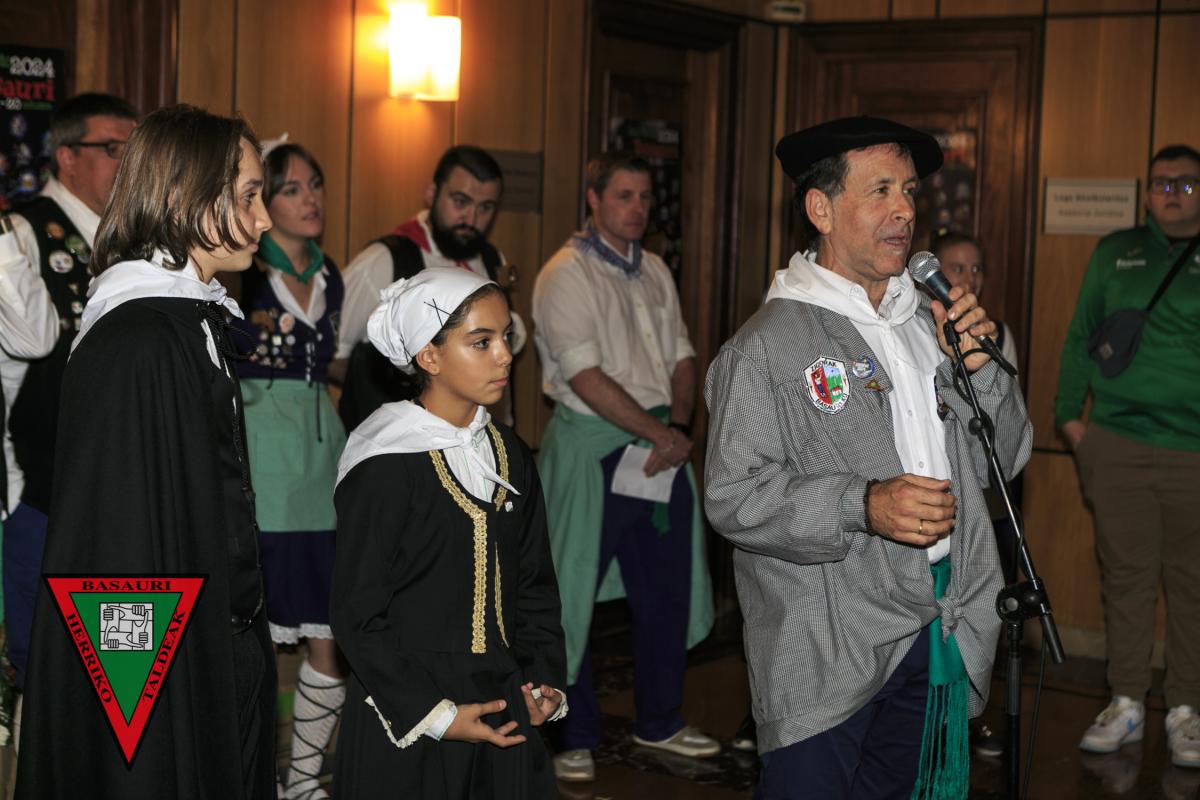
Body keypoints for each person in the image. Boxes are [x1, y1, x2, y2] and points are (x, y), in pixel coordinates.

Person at [704, 116, 1032, 799]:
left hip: (935, 620)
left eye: (909, 191)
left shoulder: (930, 323)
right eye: (880, 190)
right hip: (825, 641)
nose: (904, 210)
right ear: (820, 209)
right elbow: (734, 497)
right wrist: (863, 504)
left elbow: (1002, 462)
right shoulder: (764, 346)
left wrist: (984, 375)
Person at [15, 104, 275, 799]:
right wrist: (145, 725)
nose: (264, 219)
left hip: (212, 639)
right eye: (248, 195)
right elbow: (117, 551)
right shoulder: (139, 339)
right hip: (160, 670)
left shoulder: (187, 320)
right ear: (183, 195)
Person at [330, 267, 565, 799]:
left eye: (506, 337)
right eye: (481, 342)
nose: (504, 355)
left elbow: (535, 583)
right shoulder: (385, 462)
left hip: (503, 699)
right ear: (429, 357)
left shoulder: (510, 455)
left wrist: (542, 679)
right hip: (411, 705)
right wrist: (435, 715)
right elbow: (357, 613)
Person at [532, 152, 717, 783]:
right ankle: (572, 734)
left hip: (662, 445)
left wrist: (679, 430)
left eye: (644, 197)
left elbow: (684, 358)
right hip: (594, 448)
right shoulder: (565, 274)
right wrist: (661, 433)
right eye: (623, 196)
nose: (637, 208)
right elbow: (584, 376)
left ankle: (660, 720)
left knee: (666, 590)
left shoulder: (656, 269)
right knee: (572, 597)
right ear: (593, 199)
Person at [1056, 144, 1200, 768]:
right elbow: (1079, 337)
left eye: (1187, 184)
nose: (1173, 194)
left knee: (1193, 584)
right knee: (1126, 580)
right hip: (1116, 443)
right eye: (1162, 184)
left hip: (1194, 451)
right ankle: (1127, 701)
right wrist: (1070, 421)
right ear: (1146, 193)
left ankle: (1188, 709)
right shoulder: (1114, 252)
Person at [0, 93, 138, 692]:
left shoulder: (139, 240)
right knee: (45, 669)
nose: (127, 163)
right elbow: (32, 341)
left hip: (127, 490)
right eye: (112, 149)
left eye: (134, 150)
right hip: (44, 489)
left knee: (124, 676)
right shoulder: (21, 232)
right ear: (66, 156)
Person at [230, 139, 346, 799]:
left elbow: (337, 364)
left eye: (316, 184)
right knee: (254, 635)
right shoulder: (242, 272)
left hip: (320, 462)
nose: (310, 199)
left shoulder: (333, 275)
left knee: (328, 633)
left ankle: (301, 783)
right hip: (260, 459)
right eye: (292, 188)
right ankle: (250, 780)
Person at [334, 145, 525, 428]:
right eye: (460, 201)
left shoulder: (492, 260)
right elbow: (333, 356)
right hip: (399, 438)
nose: (471, 219)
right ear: (432, 193)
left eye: (485, 207)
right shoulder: (384, 260)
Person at [928, 227, 1021, 760]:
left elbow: (1007, 423)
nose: (968, 277)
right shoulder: (917, 327)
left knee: (987, 608)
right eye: (956, 268)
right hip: (939, 494)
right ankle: (938, 723)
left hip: (986, 496)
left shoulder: (994, 331)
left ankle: (970, 714)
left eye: (976, 268)